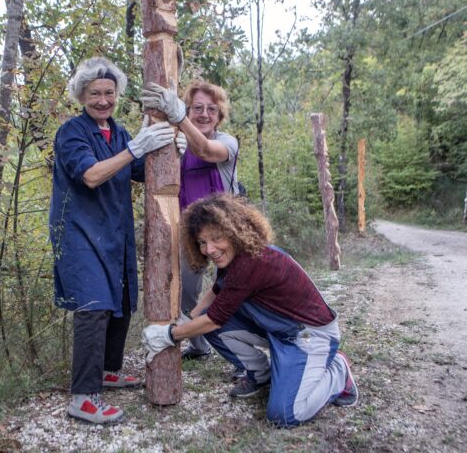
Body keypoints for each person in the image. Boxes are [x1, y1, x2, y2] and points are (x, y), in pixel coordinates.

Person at [141, 194, 359, 427]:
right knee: (205, 323)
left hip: (309, 335)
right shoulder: (233, 257)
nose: (209, 249)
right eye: (202, 242)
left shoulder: (253, 261)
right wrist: (189, 317)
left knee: (285, 415)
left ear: (234, 230)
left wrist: (169, 335)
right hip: (279, 330)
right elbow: (215, 292)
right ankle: (260, 374)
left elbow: (214, 319)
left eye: (216, 238)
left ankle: (338, 370)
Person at [50, 57, 179, 425]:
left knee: (121, 300)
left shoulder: (118, 132)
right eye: (95, 94)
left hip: (113, 232)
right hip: (78, 233)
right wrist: (137, 148)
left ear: (117, 94)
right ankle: (83, 397)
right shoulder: (72, 132)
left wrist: (170, 143)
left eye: (109, 93)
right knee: (93, 306)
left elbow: (140, 169)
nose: (103, 100)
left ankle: (107, 371)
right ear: (82, 96)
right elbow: (91, 175)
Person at [141, 79, 241, 361]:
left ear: (220, 116)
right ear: (188, 109)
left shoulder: (227, 143)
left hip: (227, 233)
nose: (204, 114)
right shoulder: (178, 143)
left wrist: (179, 117)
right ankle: (199, 347)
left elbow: (207, 151)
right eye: (197, 108)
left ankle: (241, 359)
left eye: (212, 109)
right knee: (186, 293)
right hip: (190, 232)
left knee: (233, 291)